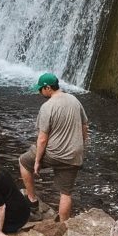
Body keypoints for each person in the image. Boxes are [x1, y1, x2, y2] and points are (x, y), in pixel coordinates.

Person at [19, 73, 88, 222]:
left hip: (54, 154)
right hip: (74, 155)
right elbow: (84, 127)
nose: (39, 92)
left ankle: (32, 201)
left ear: (48, 88)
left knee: (24, 162)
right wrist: (81, 146)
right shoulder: (75, 100)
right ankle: (63, 228)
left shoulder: (47, 106)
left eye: (40, 89)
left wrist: (37, 161)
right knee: (66, 193)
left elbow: (42, 139)